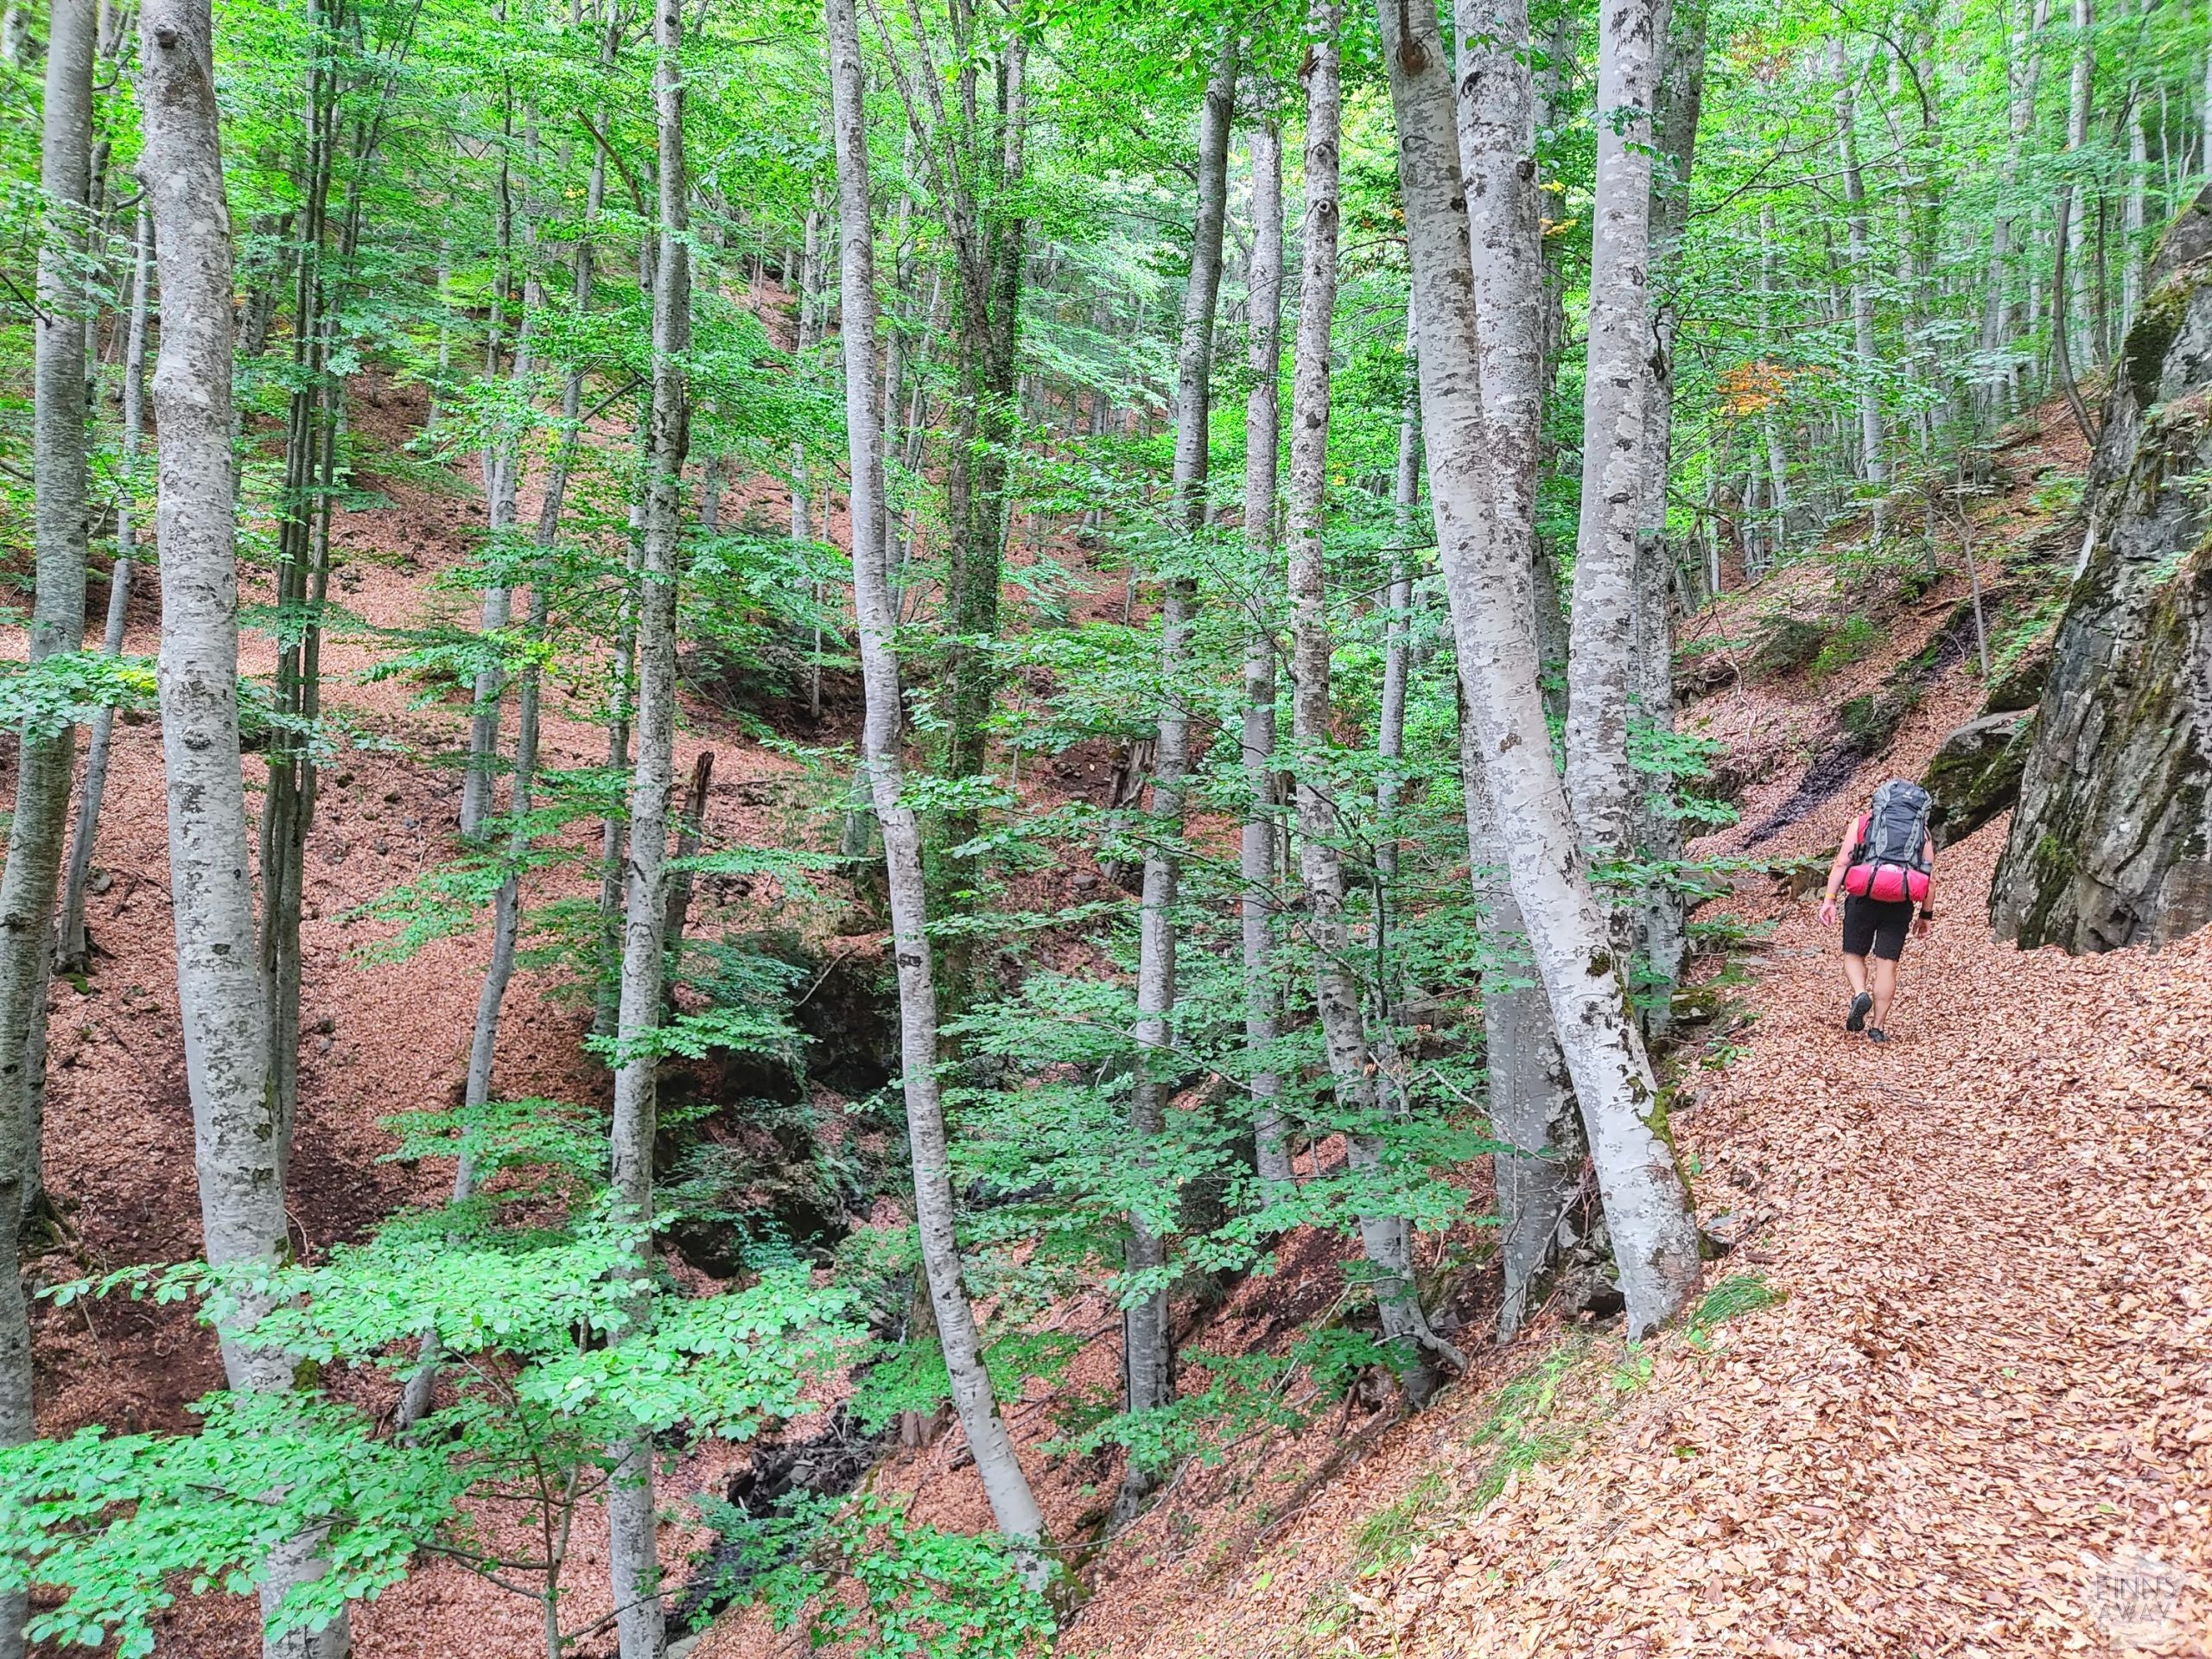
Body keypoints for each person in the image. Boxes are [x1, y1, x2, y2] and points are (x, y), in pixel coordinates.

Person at [1816, 779, 1936, 1043]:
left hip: (1863, 896)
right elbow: (1929, 878)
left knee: (1853, 953)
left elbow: (1842, 862)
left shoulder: (1862, 823)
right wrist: (1925, 916)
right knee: (1887, 966)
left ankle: (1860, 993)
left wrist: (1830, 899)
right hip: (1900, 903)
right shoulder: (1921, 832)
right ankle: (1878, 1028)